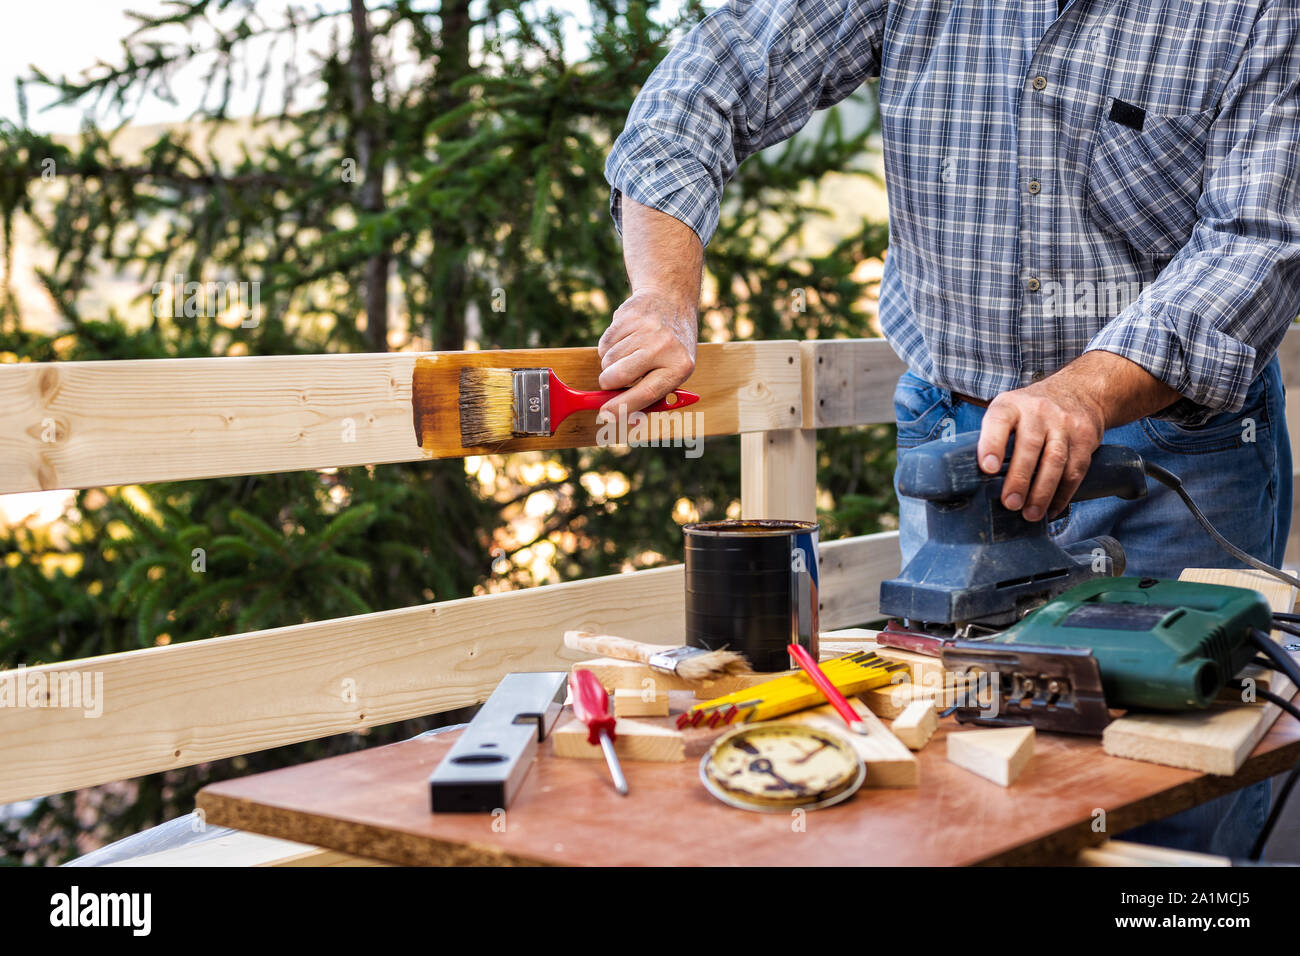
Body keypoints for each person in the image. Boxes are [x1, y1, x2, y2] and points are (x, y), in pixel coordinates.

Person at [595, 0, 1300, 857]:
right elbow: (711, 79)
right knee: (964, 763)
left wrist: (1085, 391)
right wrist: (663, 294)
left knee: (1174, 783)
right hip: (954, 441)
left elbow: (1257, 241)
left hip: (1172, 446)